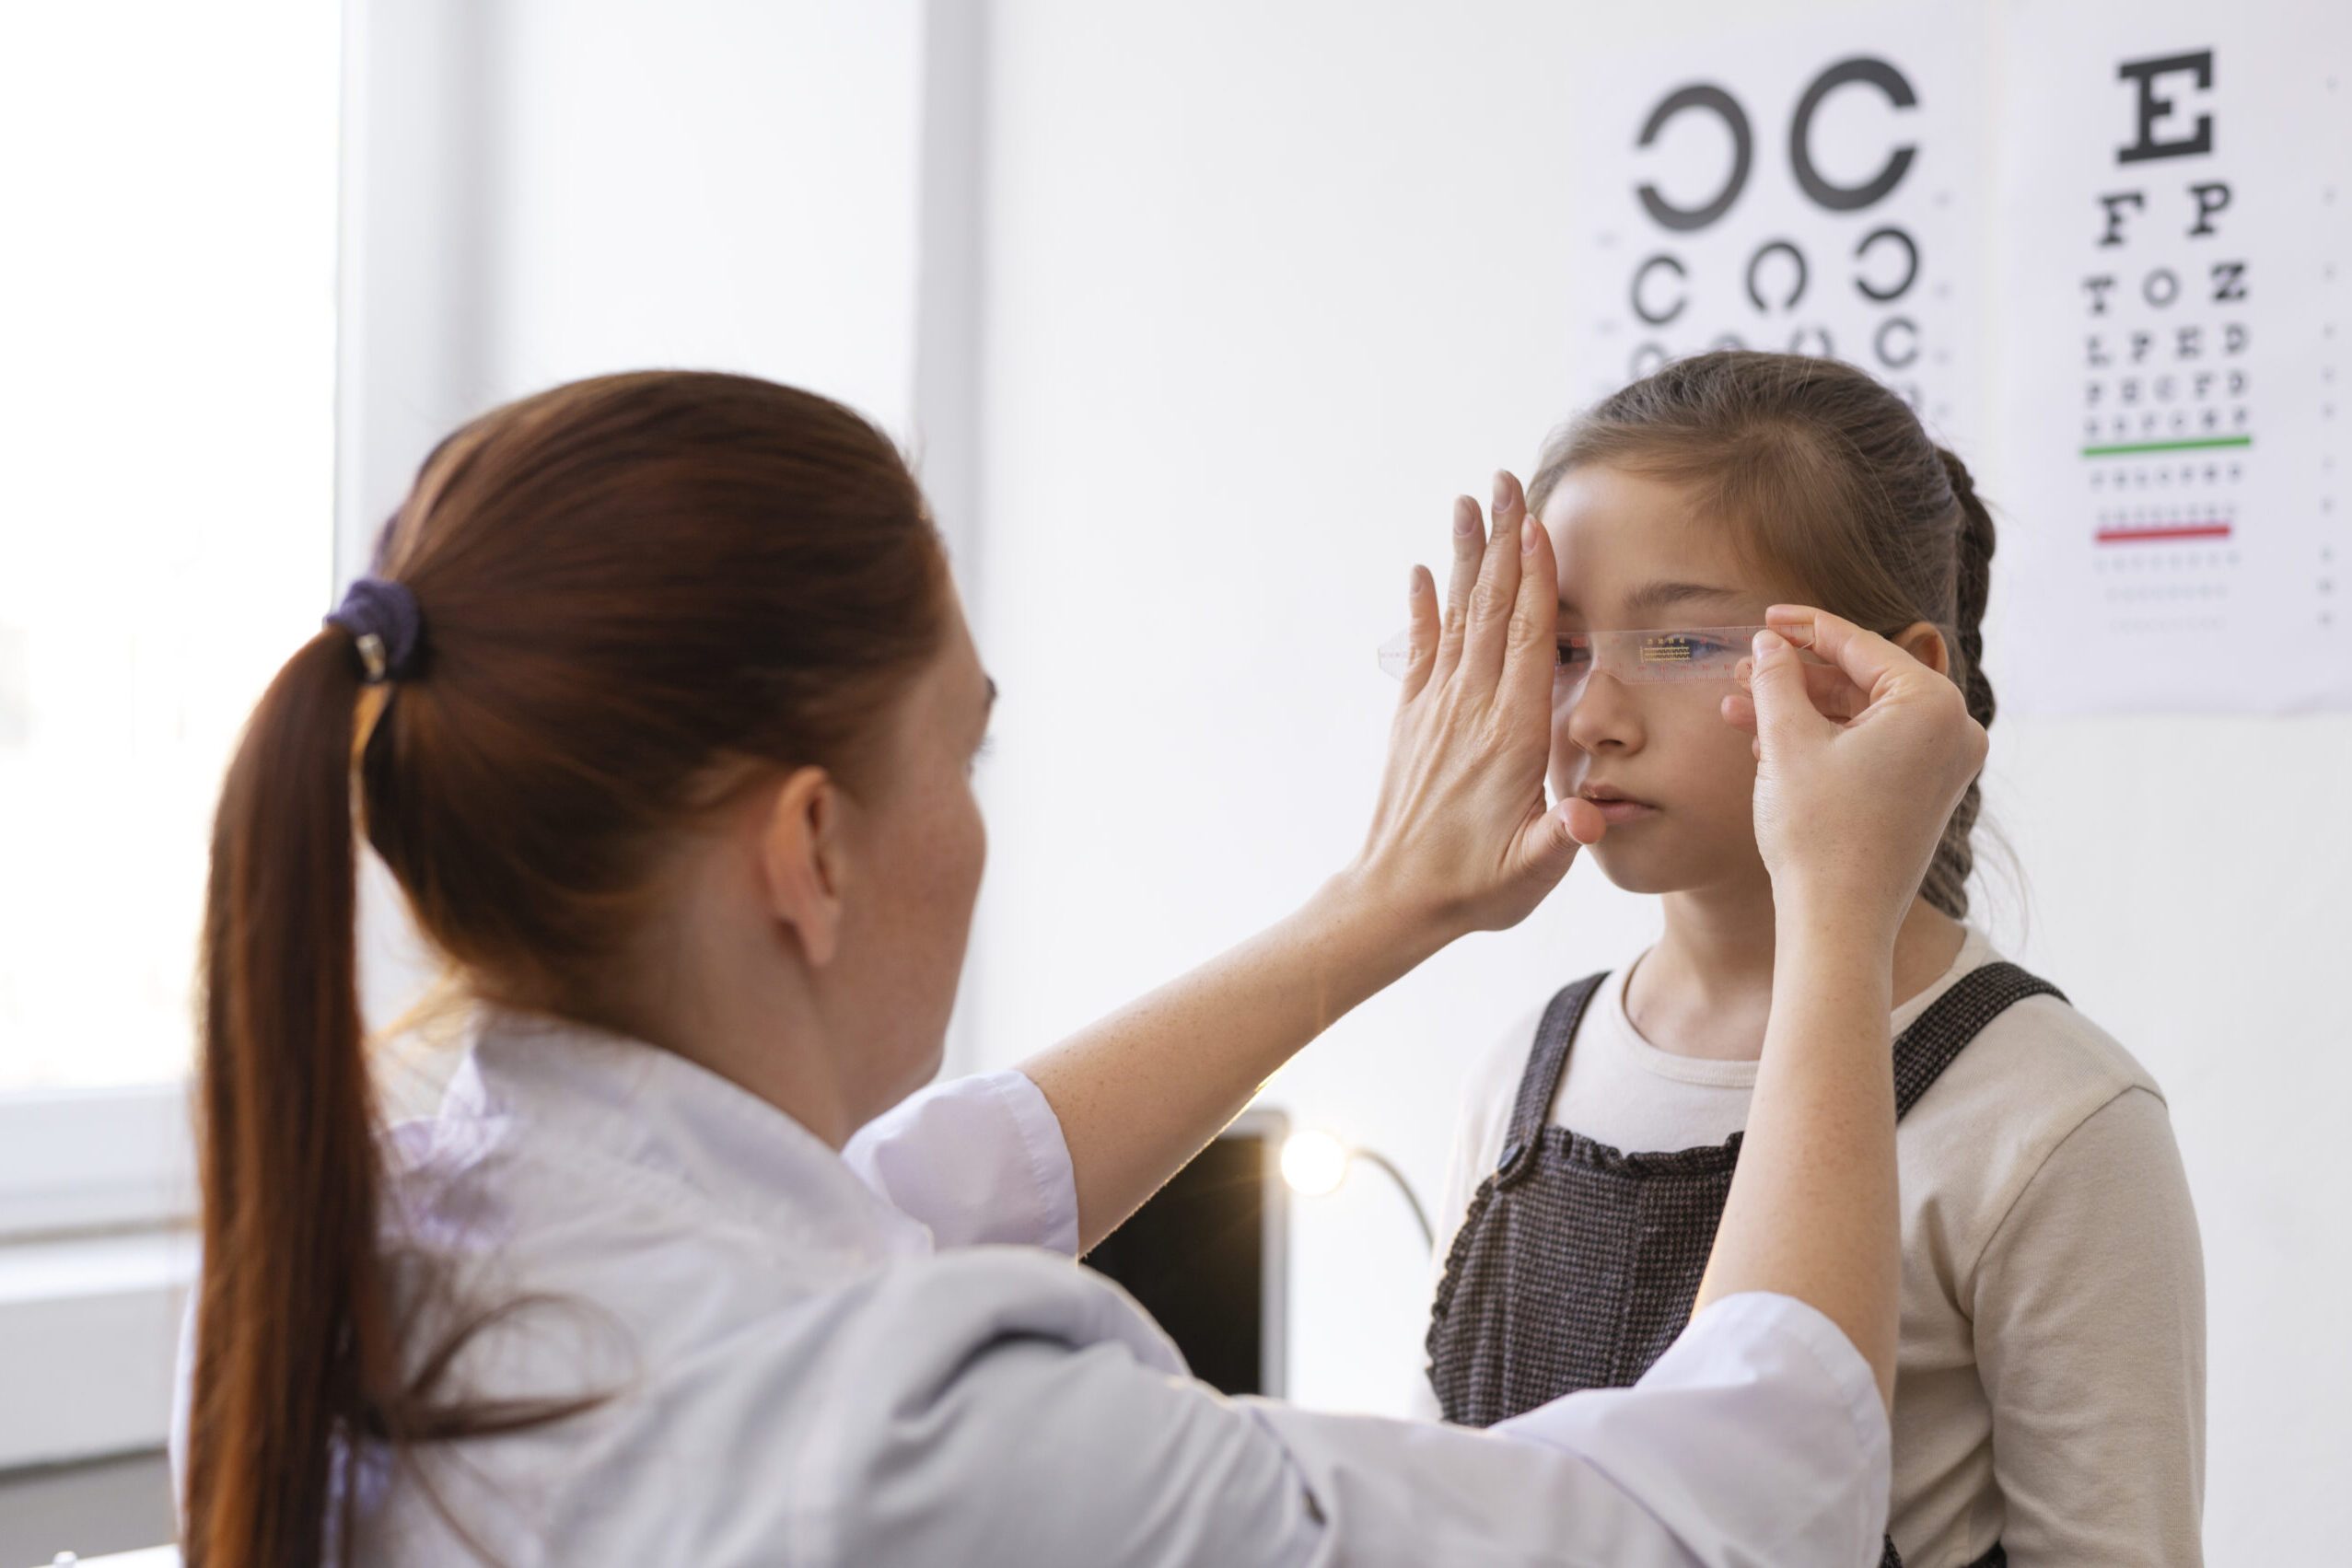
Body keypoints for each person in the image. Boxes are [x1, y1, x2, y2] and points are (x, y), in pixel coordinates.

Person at [176, 369, 1987, 1567]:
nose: (1588, 710)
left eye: (1674, 644)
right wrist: (1837, 913)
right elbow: (1732, 1518)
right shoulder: (920, 1432)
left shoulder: (405, 1237)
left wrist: (1375, 910)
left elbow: (894, 1202)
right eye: (961, 755)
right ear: (809, 849)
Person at [1418, 353, 2206, 1566]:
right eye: (1563, 647)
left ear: (1892, 687)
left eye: (1679, 642)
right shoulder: (1530, 1067)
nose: (1588, 718)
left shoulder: (2049, 1116)